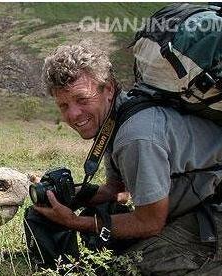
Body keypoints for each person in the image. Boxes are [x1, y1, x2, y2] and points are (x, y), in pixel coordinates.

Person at [32, 41, 222, 274]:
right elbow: (117, 190)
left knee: (118, 270)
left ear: (108, 89)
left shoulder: (135, 137)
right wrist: (71, 197)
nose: (73, 114)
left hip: (212, 215)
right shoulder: (119, 116)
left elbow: (150, 223)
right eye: (64, 105)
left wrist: (73, 222)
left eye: (82, 99)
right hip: (195, 206)